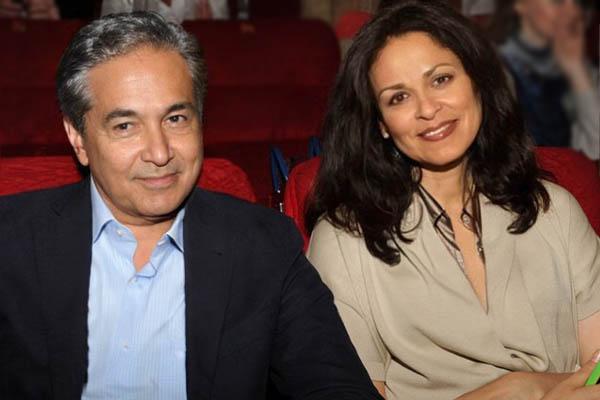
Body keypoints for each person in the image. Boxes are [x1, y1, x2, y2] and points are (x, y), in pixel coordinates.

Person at [0, 11, 383, 399]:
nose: (159, 152)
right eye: (125, 126)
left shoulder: (264, 247)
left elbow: (335, 386)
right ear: (78, 138)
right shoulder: (11, 242)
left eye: (176, 118)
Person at [305, 0, 600, 399]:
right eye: (398, 97)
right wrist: (515, 391)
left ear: (476, 81)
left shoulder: (553, 209)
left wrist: (529, 387)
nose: (428, 109)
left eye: (441, 79)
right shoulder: (344, 242)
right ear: (382, 125)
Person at [490, 0, 599, 161]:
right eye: (557, 1)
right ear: (519, 4)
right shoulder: (492, 68)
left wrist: (576, 69)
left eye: (578, 3)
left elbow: (594, 150)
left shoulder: (582, 67)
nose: (573, 12)